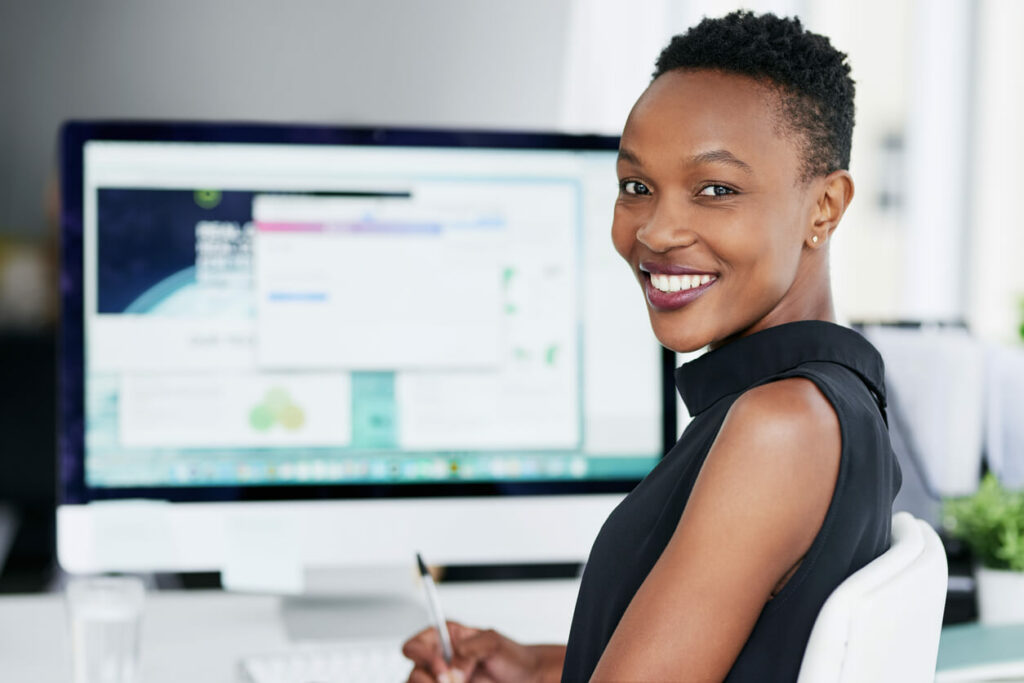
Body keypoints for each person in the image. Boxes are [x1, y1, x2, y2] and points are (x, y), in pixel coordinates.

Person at [403, 10, 902, 682]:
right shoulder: (832, 398)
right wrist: (535, 668)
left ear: (825, 207)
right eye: (637, 186)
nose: (659, 230)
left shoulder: (778, 428)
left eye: (715, 190)